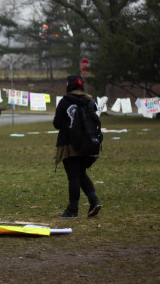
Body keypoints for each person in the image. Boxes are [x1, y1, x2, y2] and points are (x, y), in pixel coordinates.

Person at [53, 74, 101, 218]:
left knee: (73, 177)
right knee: (81, 174)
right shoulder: (90, 101)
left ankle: (73, 209)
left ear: (69, 85)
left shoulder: (65, 101)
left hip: (69, 144)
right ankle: (94, 201)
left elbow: (56, 123)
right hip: (87, 144)